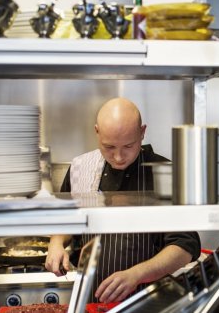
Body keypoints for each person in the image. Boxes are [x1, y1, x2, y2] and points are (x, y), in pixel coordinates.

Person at [45, 97, 200, 304]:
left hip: (149, 300)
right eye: (109, 147)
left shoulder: (166, 174)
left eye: (129, 145)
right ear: (97, 131)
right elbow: (66, 219)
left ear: (142, 132)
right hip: (91, 299)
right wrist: (56, 243)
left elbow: (185, 246)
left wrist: (136, 275)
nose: (118, 157)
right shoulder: (80, 167)